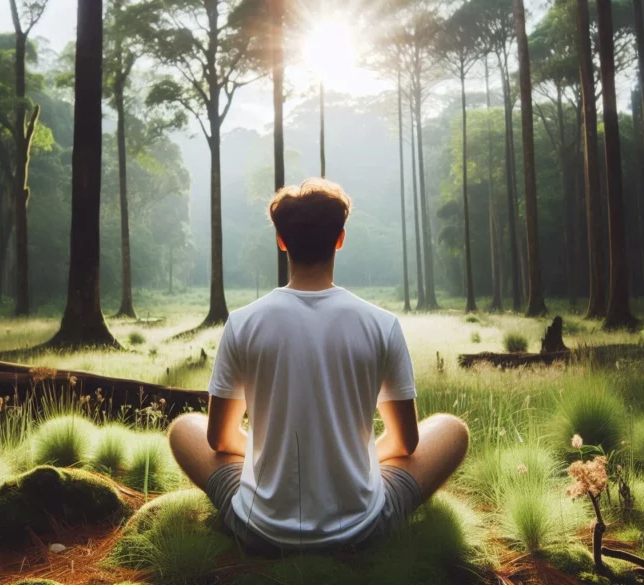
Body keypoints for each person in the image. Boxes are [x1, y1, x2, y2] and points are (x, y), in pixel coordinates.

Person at [168, 178, 469, 551]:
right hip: (362, 531)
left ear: (281, 241)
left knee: (185, 429)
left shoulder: (243, 322)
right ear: (340, 239)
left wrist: (280, 461)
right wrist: (342, 464)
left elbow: (219, 440)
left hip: (259, 531)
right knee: (452, 430)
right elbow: (406, 444)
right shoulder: (382, 324)